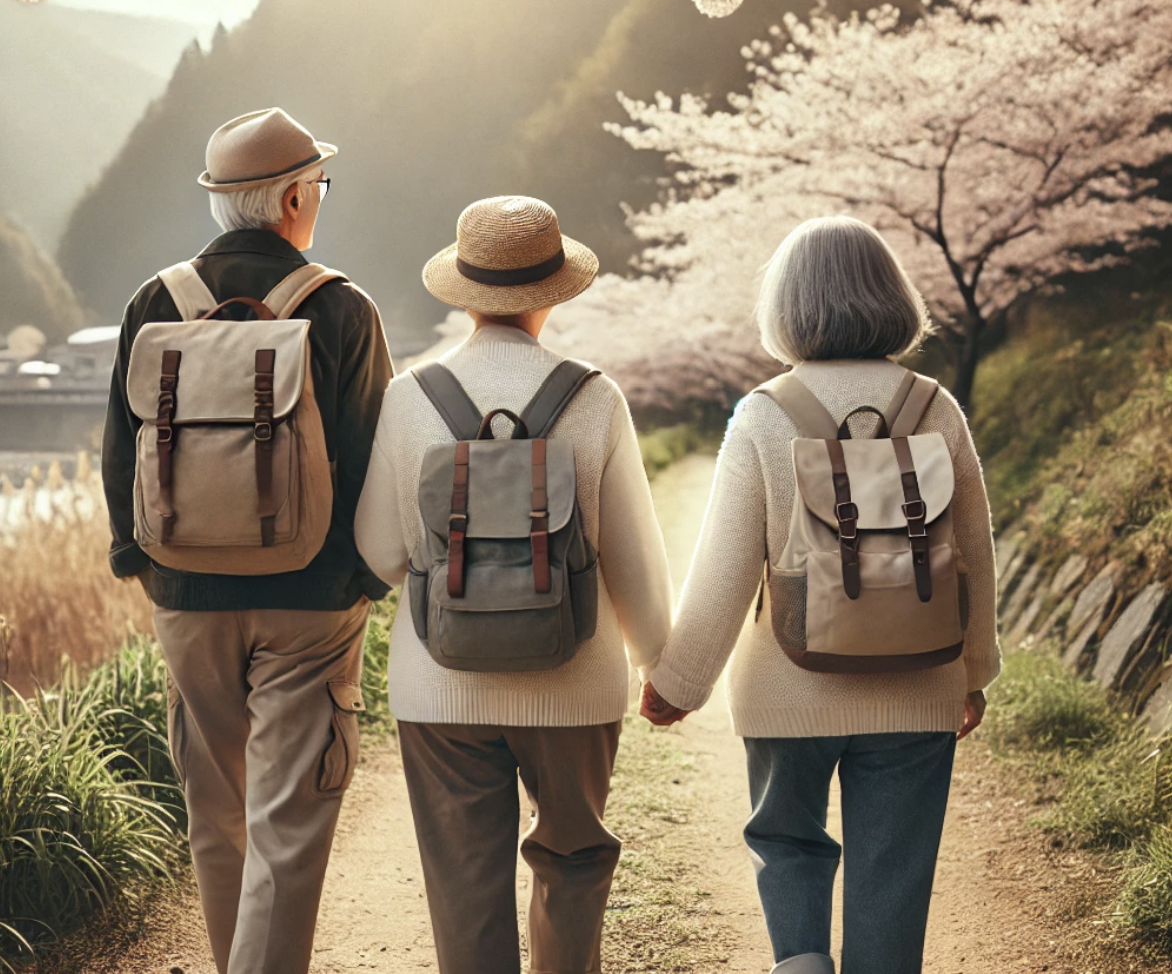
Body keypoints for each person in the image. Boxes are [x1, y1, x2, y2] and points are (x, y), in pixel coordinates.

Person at [641, 216, 1000, 974]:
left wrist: (679, 682)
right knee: (895, 870)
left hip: (787, 684)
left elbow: (725, 569)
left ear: (788, 306)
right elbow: (974, 553)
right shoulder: (936, 406)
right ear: (891, 297)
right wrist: (973, 670)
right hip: (918, 679)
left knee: (787, 841)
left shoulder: (766, 413)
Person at [102, 107, 393, 974]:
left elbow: (121, 445)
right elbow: (373, 451)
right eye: (320, 187)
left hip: (187, 591)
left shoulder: (156, 303)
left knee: (216, 814)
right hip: (312, 601)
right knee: (290, 825)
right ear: (298, 195)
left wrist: (142, 563)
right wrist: (363, 581)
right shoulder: (340, 306)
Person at [356, 195, 672, 974]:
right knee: (572, 865)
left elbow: (380, 553)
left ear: (464, 292)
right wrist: (663, 665)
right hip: (576, 677)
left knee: (465, 889)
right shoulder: (594, 398)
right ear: (555, 291)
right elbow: (632, 561)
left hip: (440, 683)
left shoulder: (410, 398)